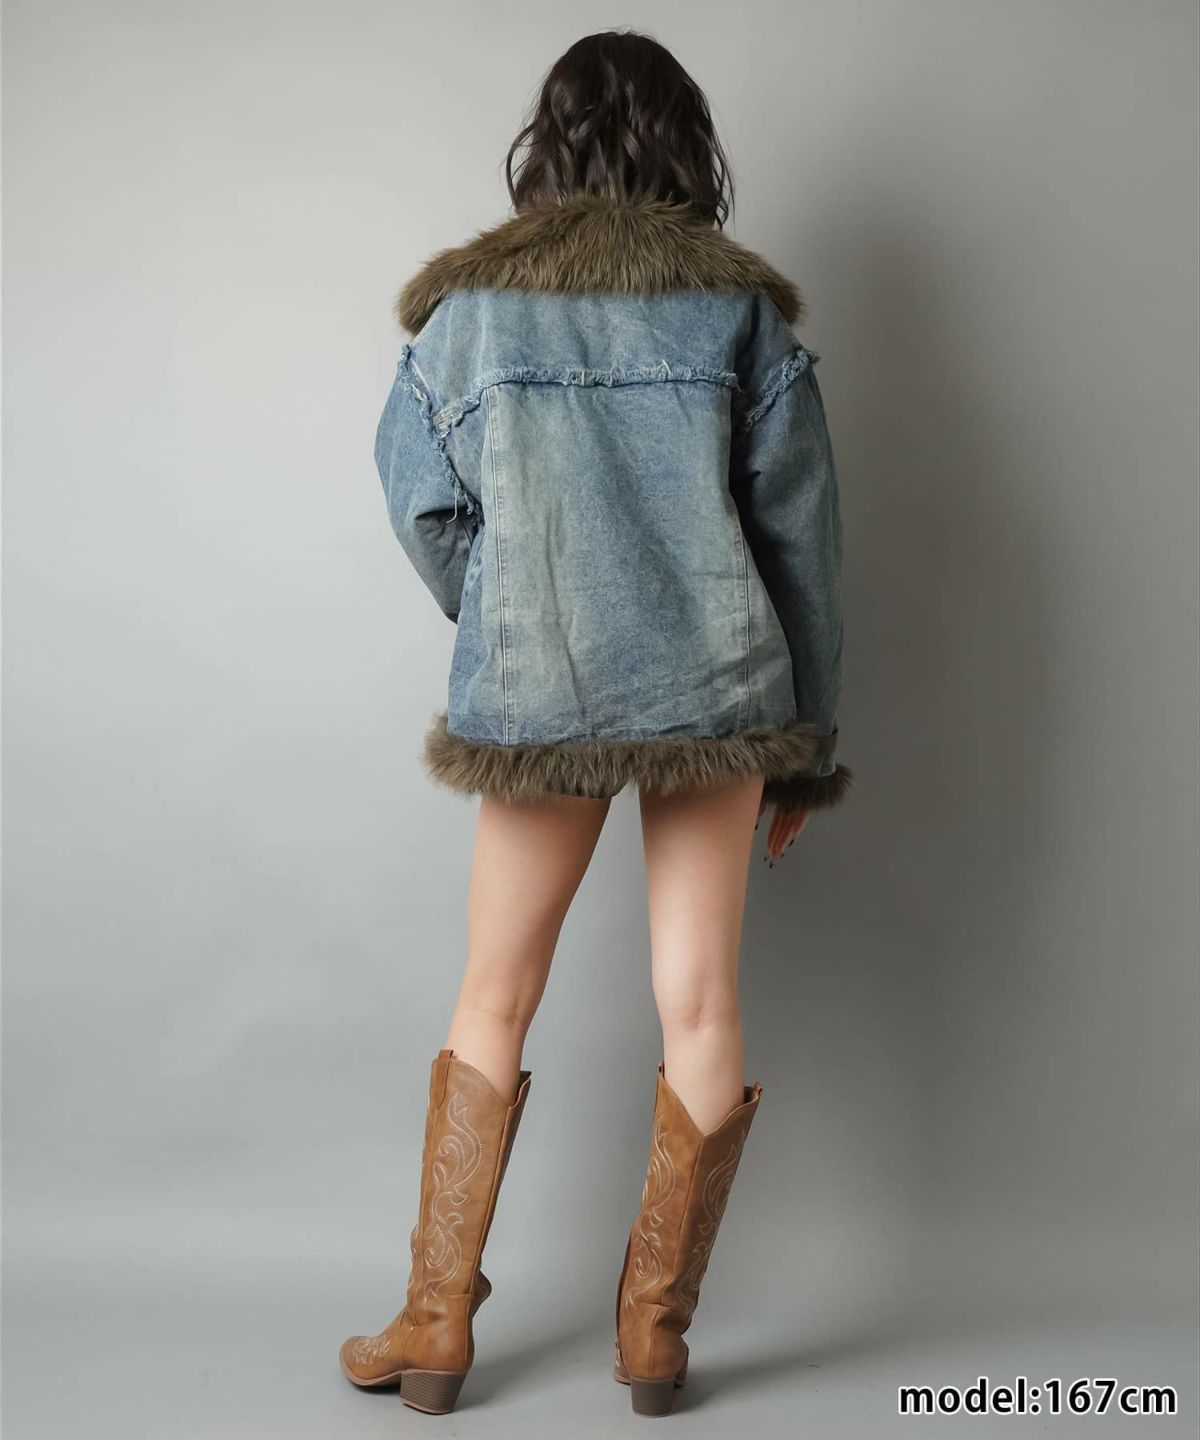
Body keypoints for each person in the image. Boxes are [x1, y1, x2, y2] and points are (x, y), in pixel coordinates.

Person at [339, 27, 850, 1418]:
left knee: (494, 993)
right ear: (689, 147)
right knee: (703, 1000)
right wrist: (804, 749)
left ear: (547, 145)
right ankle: (655, 1342)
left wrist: (511, 607)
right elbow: (802, 548)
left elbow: (422, 501)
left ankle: (436, 1327)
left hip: (542, 689)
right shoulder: (739, 317)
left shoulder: (473, 314)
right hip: (720, 694)